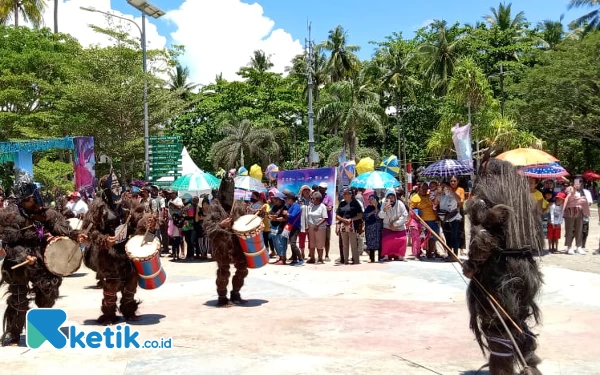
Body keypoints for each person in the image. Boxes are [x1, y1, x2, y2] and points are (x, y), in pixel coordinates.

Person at [462, 157, 544, 375]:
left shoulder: (487, 199)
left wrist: (471, 265)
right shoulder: (525, 199)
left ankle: (505, 369)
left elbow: (484, 239)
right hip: (526, 270)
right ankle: (530, 366)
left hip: (498, 273)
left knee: (497, 329)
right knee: (517, 321)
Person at [0, 173, 86, 345]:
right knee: (18, 298)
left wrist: (76, 235)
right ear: (21, 200)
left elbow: (60, 228)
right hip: (19, 261)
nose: (33, 201)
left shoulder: (46, 212)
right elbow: (8, 244)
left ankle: (43, 327)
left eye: (34, 197)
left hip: (41, 257)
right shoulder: (10, 215)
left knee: (48, 291)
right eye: (29, 199)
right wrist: (24, 256)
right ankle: (13, 333)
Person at [81, 172, 158, 325]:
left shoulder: (125, 205)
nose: (116, 190)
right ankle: (109, 315)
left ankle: (129, 310)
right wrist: (104, 239)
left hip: (126, 250)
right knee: (111, 285)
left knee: (131, 280)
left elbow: (136, 221)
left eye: (117, 186)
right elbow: (89, 231)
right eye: (113, 187)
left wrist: (147, 222)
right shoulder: (97, 208)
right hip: (107, 254)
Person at [203, 175, 248, 307]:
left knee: (242, 269)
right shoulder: (215, 207)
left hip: (238, 244)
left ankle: (235, 293)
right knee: (223, 271)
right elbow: (208, 226)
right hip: (221, 245)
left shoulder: (238, 205)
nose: (228, 193)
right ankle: (222, 297)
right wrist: (220, 225)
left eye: (231, 190)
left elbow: (246, 222)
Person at [410, 182, 439, 259]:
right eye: (423, 188)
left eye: (426, 189)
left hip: (433, 220)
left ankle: (430, 253)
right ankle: (418, 253)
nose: (425, 190)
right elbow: (412, 210)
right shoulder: (414, 198)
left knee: (433, 237)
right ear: (419, 188)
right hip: (423, 221)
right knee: (423, 238)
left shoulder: (430, 196)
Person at [378, 189, 409, 261]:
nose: (391, 199)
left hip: (399, 226)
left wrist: (395, 224)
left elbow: (404, 215)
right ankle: (386, 256)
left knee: (403, 239)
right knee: (386, 240)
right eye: (389, 197)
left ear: (395, 197)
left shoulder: (400, 203)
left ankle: (400, 256)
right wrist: (384, 210)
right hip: (387, 227)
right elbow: (380, 216)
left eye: (392, 197)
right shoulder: (384, 204)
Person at [435, 180, 462, 261]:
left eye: (444, 186)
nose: (443, 188)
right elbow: (435, 203)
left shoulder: (453, 193)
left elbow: (459, 200)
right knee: (447, 237)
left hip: (454, 217)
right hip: (445, 219)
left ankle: (455, 254)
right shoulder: (441, 195)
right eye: (442, 187)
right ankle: (449, 254)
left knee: (454, 236)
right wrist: (437, 194)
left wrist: (451, 191)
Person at [335, 188, 363, 265]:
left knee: (353, 244)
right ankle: (346, 261)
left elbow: (360, 215)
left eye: (345, 194)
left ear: (350, 194)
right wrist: (343, 220)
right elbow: (337, 215)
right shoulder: (342, 203)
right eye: (343, 194)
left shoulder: (355, 203)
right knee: (345, 244)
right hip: (343, 225)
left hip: (352, 225)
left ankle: (356, 261)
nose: (343, 195)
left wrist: (351, 219)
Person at [306, 192, 328, 264]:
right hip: (311, 226)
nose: (311, 199)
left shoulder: (322, 206)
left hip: (320, 228)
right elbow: (308, 215)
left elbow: (324, 218)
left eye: (313, 198)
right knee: (312, 242)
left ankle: (320, 258)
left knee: (319, 243)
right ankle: (312, 258)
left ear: (318, 199)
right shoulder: (311, 206)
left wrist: (317, 225)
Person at [364, 195, 383, 262]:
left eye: (372, 199)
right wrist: (372, 212)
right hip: (370, 228)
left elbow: (381, 216)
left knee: (379, 243)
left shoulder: (381, 207)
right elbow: (364, 217)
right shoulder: (368, 208)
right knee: (371, 244)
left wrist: (376, 208)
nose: (370, 200)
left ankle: (380, 258)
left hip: (378, 228)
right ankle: (372, 258)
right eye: (369, 199)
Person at [318, 182, 334, 262]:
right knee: (318, 239)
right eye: (321, 188)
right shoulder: (316, 197)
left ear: (326, 189)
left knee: (327, 239)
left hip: (327, 222)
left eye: (324, 188)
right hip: (317, 222)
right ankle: (319, 255)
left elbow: (329, 208)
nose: (322, 189)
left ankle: (327, 255)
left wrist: (320, 209)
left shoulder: (329, 198)